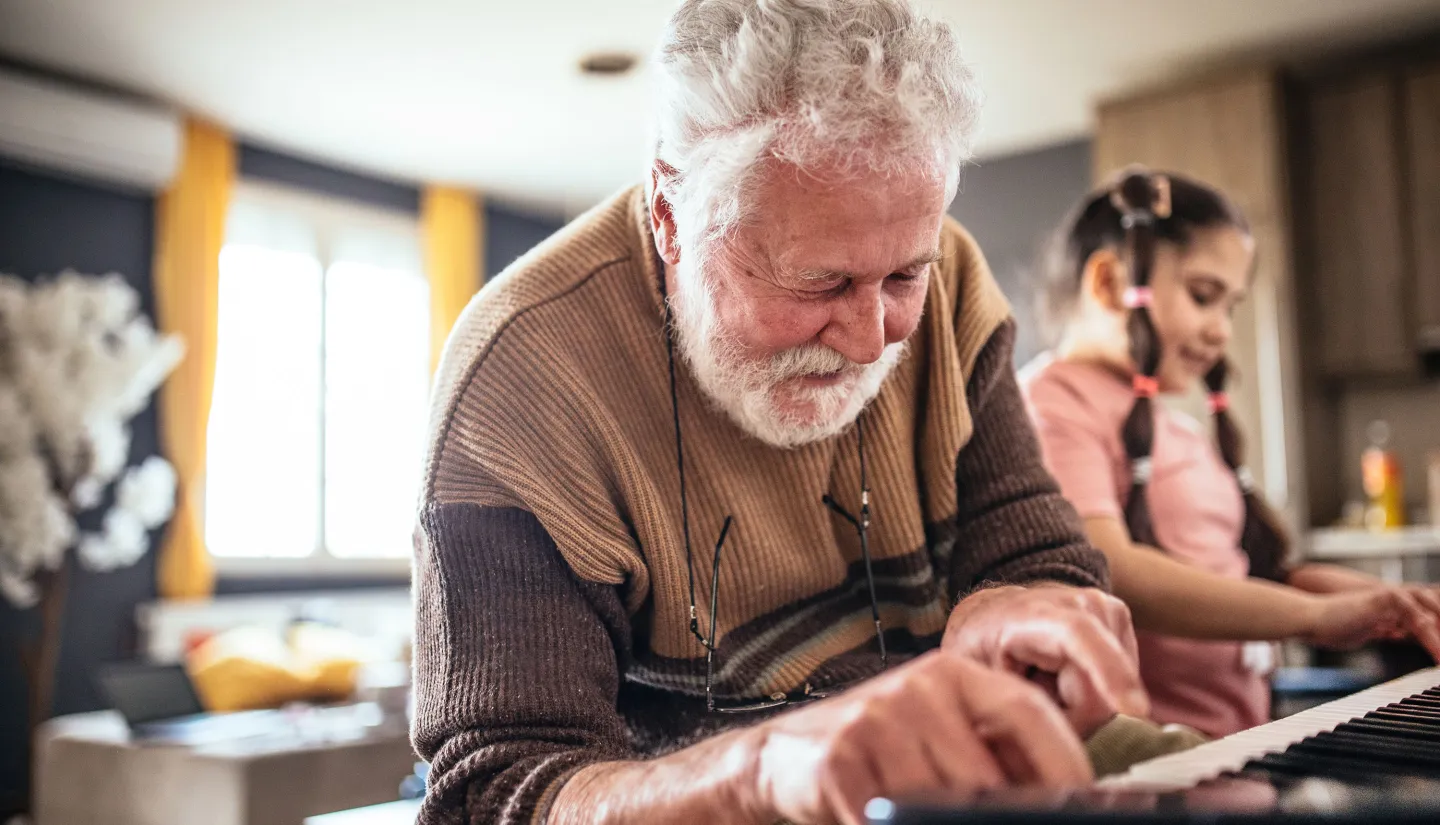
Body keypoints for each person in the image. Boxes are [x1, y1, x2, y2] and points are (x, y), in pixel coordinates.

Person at [411, 2, 1151, 824]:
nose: (872, 341)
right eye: (820, 283)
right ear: (670, 217)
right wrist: (759, 771)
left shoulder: (955, 283)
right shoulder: (520, 376)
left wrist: (1021, 598)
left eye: (905, 277)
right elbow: (494, 794)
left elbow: (1036, 547)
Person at [1020, 169, 1440, 739]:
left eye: (1230, 307)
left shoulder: (1174, 427)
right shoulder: (1054, 404)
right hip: (1153, 757)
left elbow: (1255, 575)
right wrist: (1315, 618)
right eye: (1202, 296)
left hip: (1236, 739)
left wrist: (1394, 605)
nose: (1220, 331)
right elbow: (1110, 567)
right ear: (1109, 282)